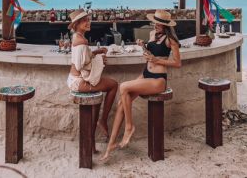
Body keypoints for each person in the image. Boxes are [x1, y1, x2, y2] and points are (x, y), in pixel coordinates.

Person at [101, 9, 181, 161]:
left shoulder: (171, 40)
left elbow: (177, 63)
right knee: (121, 104)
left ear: (165, 25)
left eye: (159, 24)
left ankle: (129, 126)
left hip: (158, 80)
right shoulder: (152, 34)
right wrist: (143, 46)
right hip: (146, 74)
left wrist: (157, 60)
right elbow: (149, 55)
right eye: (155, 22)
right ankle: (111, 145)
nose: (155, 25)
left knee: (123, 86)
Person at [66, 9, 118, 147]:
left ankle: (91, 142)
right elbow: (81, 65)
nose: (88, 22)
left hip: (75, 79)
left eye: (88, 20)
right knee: (113, 85)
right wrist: (100, 60)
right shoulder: (81, 41)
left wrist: (97, 52)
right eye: (84, 20)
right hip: (78, 82)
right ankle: (103, 120)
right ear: (77, 24)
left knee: (97, 100)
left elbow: (83, 58)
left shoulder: (78, 37)